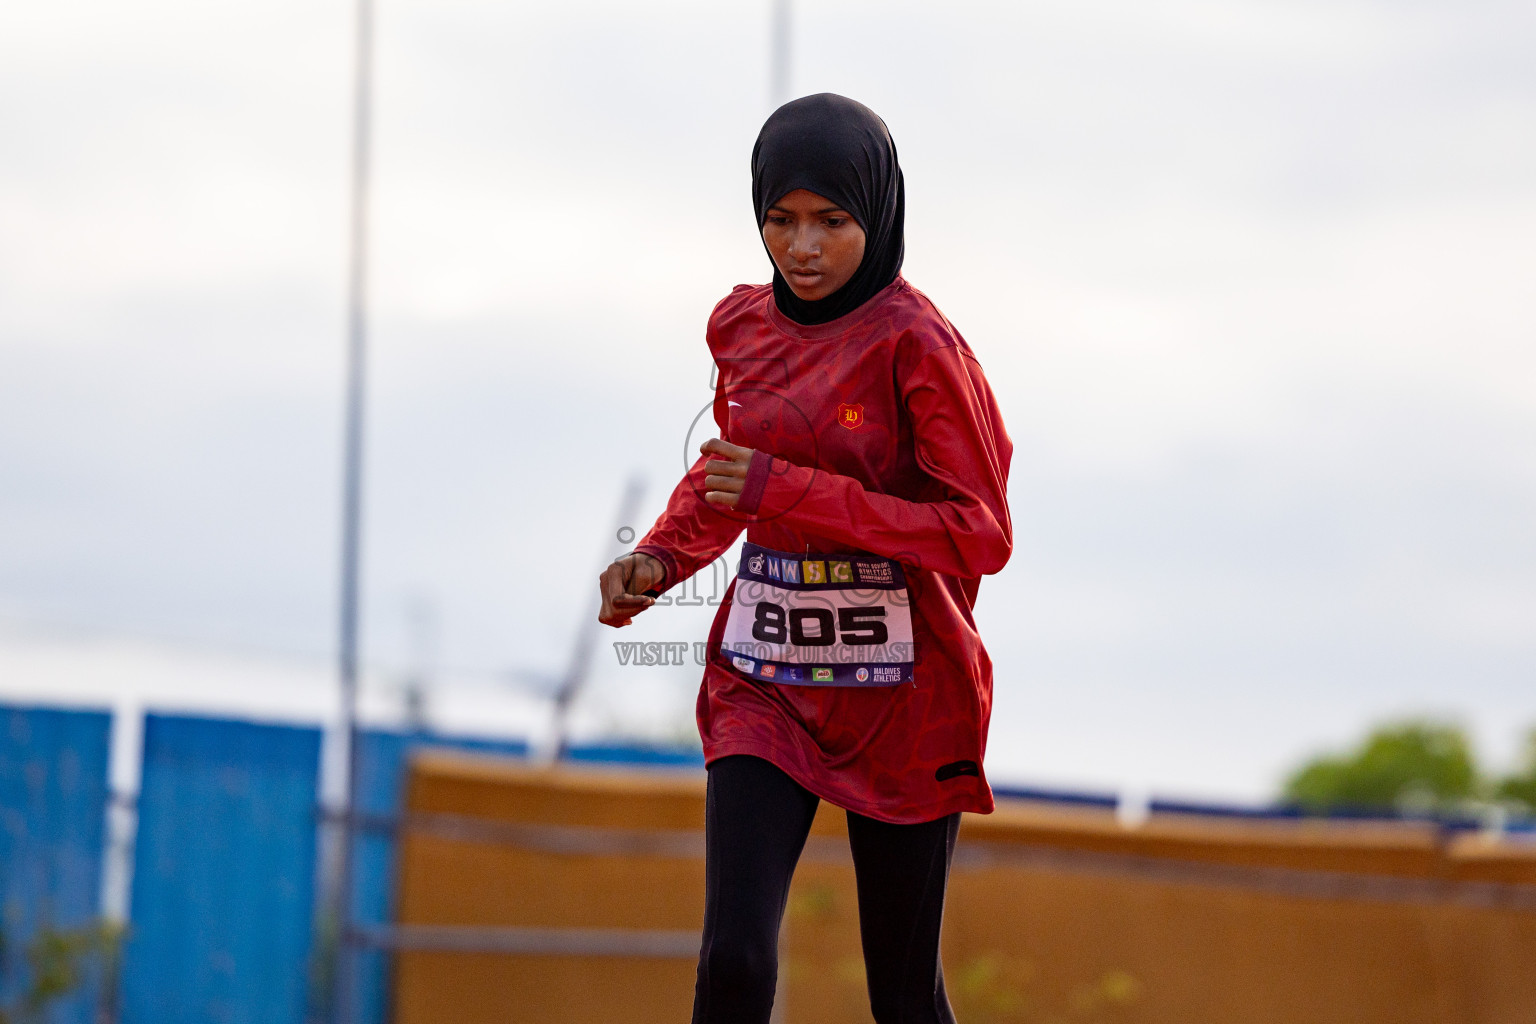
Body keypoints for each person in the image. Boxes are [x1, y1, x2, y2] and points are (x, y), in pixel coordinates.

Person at [597, 93, 1012, 1024]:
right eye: (779, 221)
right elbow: (727, 477)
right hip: (767, 680)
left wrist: (787, 489)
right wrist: (659, 562)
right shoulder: (741, 328)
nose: (803, 248)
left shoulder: (921, 345)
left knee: (903, 1000)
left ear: (879, 213)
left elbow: (981, 532)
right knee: (735, 963)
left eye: (832, 221)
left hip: (903, 700)